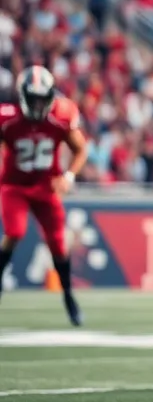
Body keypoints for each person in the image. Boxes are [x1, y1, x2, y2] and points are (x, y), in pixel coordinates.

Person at [0, 66, 89, 324]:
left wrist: (68, 176)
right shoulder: (8, 118)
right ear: (22, 96)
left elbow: (80, 149)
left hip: (46, 186)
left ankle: (69, 296)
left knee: (58, 244)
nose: (38, 104)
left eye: (43, 98)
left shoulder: (61, 116)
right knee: (15, 231)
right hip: (14, 186)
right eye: (33, 98)